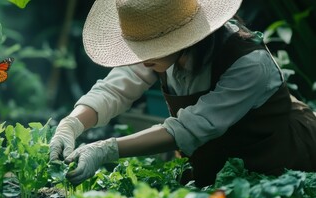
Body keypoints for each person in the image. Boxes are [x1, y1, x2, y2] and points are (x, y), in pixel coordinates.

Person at [49, 0, 316, 187]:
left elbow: (189, 128)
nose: (141, 58)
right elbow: (115, 88)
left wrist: (106, 150)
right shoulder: (164, 55)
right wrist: (71, 124)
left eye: (152, 46)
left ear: (184, 37)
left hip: (279, 158)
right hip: (220, 163)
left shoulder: (249, 64)